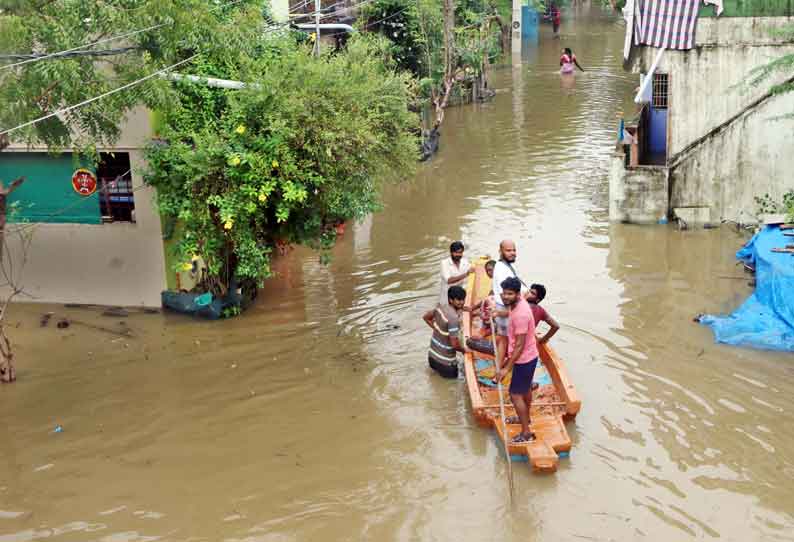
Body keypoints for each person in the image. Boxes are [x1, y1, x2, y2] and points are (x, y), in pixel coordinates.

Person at [494, 277, 539, 443]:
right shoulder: (517, 304)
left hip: (524, 359)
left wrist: (506, 368)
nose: (505, 297)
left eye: (509, 294)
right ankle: (525, 419)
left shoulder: (521, 314)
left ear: (517, 294)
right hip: (530, 355)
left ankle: (526, 432)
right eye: (504, 293)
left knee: (515, 395)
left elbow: (519, 346)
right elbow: (510, 312)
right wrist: (498, 312)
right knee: (526, 389)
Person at [491, 240, 528, 374]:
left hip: (502, 308)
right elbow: (505, 294)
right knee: (517, 345)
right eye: (508, 250)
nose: (512, 253)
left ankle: (498, 369)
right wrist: (522, 299)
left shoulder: (504, 265)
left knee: (503, 340)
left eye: (514, 250)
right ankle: (512, 371)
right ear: (501, 251)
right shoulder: (501, 269)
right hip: (506, 310)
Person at [423, 285, 467, 379]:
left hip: (432, 359)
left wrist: (438, 330)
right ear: (451, 300)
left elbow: (426, 317)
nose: (462, 302)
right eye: (458, 300)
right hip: (447, 365)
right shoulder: (453, 318)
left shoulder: (440, 308)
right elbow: (454, 344)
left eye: (463, 299)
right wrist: (464, 350)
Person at [439, 241, 473, 306]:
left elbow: (472, 269)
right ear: (451, 252)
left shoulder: (464, 261)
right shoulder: (444, 263)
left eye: (460, 252)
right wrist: (466, 274)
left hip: (460, 297)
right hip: (447, 297)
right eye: (456, 252)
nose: (458, 255)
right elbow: (449, 280)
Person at [470, 260, 496, 336]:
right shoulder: (494, 282)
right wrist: (473, 308)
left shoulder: (500, 281)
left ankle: (486, 331)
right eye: (487, 271)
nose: (489, 272)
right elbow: (487, 298)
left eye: (491, 270)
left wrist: (474, 309)